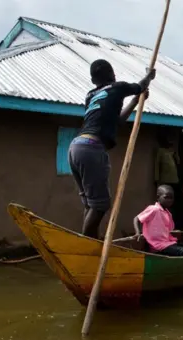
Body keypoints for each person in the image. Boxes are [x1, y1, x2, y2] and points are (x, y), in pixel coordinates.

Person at [69, 59, 155, 238]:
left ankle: (86, 243)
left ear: (93, 81)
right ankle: (87, 246)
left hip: (75, 147)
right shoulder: (118, 87)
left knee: (91, 205)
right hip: (92, 149)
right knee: (100, 206)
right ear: (112, 74)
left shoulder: (91, 95)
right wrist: (149, 76)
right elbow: (140, 85)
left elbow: (117, 122)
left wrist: (136, 102)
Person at [133, 185, 183, 256]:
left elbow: (167, 231)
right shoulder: (154, 209)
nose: (169, 200)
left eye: (171, 198)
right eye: (166, 197)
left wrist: (176, 233)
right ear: (158, 197)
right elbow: (136, 218)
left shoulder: (168, 213)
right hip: (157, 245)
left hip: (168, 242)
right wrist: (137, 233)